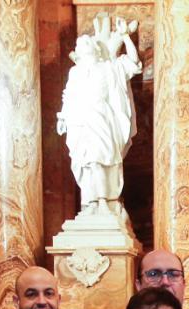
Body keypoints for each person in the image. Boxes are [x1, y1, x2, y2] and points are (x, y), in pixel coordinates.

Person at [56, 15, 141, 218]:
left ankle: (104, 201)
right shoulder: (75, 73)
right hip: (80, 121)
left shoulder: (108, 67)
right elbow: (68, 96)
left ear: (94, 49)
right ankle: (90, 203)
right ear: (78, 52)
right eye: (80, 44)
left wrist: (125, 36)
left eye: (87, 43)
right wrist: (63, 117)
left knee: (100, 158)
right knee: (85, 161)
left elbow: (133, 62)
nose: (83, 45)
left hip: (101, 117)